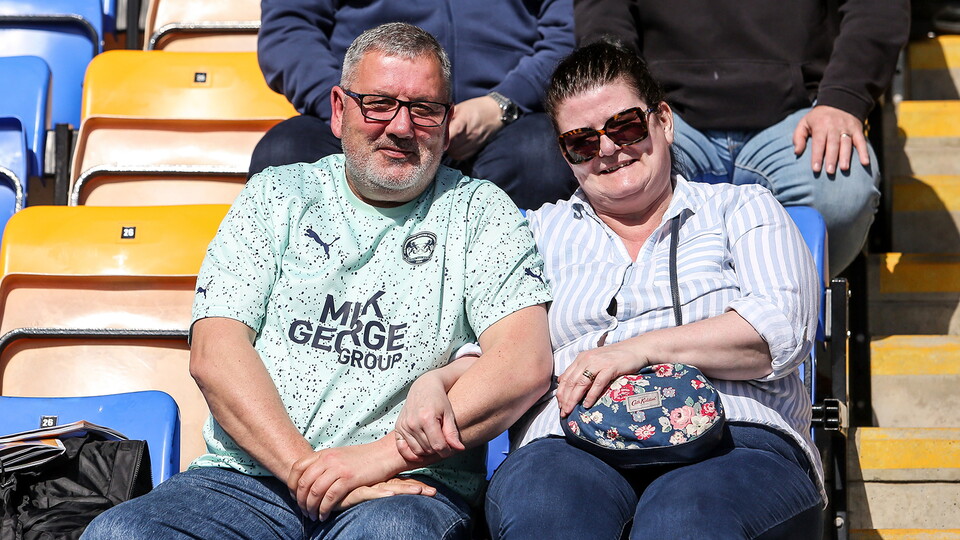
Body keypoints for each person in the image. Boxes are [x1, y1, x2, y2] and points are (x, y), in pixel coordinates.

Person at [81, 22, 553, 539]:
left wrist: (376, 459)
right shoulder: (277, 196)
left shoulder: (482, 213)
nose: (400, 127)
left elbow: (522, 363)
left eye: (423, 109)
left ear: (446, 120)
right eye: (378, 103)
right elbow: (215, 353)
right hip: (247, 480)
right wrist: (313, 473)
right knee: (119, 533)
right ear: (338, 109)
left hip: (405, 488)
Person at [396, 42, 825, 539]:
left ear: (662, 120)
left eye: (625, 126)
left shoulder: (741, 208)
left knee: (682, 520)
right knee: (545, 511)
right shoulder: (535, 234)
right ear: (564, 154)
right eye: (581, 141)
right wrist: (438, 380)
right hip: (567, 444)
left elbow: (779, 331)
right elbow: (502, 352)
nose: (607, 150)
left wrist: (634, 351)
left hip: (733, 435)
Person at [574, 0, 910, 275]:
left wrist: (844, 98)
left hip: (798, 113)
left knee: (841, 195)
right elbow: (604, 14)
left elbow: (877, 7)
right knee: (617, 191)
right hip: (668, 112)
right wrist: (625, 104)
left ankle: (784, 313)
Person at [250, 0, 579, 211]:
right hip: (366, 113)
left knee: (541, 154)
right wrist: (359, 107)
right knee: (285, 152)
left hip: (502, 121)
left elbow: (567, 33)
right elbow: (289, 32)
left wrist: (503, 104)